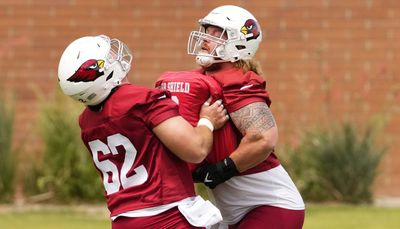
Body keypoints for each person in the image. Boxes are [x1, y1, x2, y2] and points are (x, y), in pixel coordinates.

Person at [57, 35, 229, 229]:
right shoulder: (141, 100)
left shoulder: (86, 121)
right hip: (168, 216)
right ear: (101, 73)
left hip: (123, 220)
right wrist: (207, 121)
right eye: (109, 57)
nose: (116, 57)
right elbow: (195, 149)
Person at [158, 5, 305, 229]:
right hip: (231, 212)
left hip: (270, 205)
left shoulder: (238, 81)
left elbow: (263, 138)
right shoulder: (198, 79)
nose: (205, 38)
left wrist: (220, 170)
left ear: (238, 42)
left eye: (216, 33)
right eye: (206, 31)